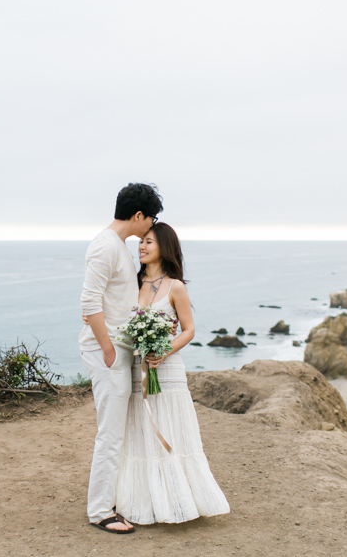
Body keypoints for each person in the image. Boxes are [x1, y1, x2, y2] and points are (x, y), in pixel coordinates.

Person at [114, 222, 230, 524]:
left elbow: (189, 329)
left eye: (148, 242)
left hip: (168, 371)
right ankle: (145, 502)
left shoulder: (176, 286)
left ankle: (180, 502)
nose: (141, 247)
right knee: (141, 433)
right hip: (138, 370)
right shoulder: (131, 283)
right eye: (140, 242)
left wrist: (163, 351)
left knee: (171, 431)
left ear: (164, 247)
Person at [79, 183, 163, 534]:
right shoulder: (104, 246)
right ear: (139, 215)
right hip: (107, 352)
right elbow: (89, 303)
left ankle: (111, 497)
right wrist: (111, 351)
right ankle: (100, 510)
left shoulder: (117, 247)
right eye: (152, 217)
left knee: (119, 432)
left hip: (118, 350)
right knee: (111, 433)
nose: (152, 225)